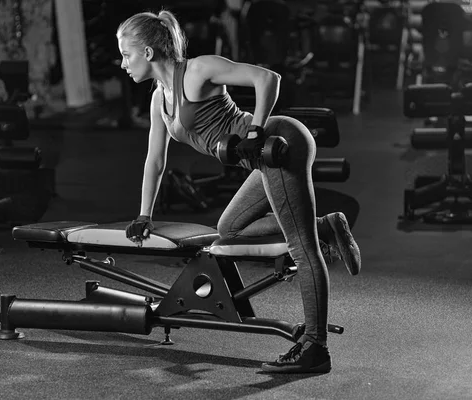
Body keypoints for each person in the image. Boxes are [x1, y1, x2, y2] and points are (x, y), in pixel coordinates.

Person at [118, 9, 361, 374]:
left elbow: (268, 78)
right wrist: (143, 214)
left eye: (127, 54)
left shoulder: (198, 70)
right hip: (261, 162)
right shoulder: (159, 99)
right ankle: (326, 225)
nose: (123, 64)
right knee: (229, 229)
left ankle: (315, 348)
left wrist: (255, 131)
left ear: (149, 53)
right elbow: (155, 160)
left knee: (301, 244)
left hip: (280, 142)